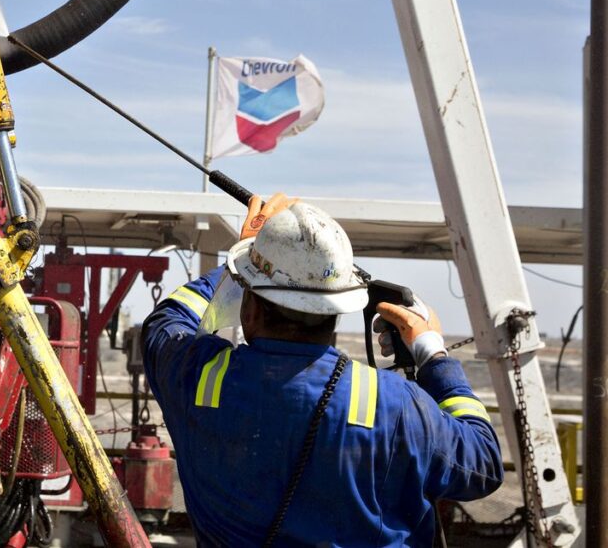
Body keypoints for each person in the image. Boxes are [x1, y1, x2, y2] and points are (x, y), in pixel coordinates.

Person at [142, 195, 503, 547]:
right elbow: (482, 464)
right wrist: (432, 353)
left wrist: (245, 258)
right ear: (336, 312)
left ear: (249, 310)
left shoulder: (197, 379)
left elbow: (168, 320)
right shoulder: (394, 405)